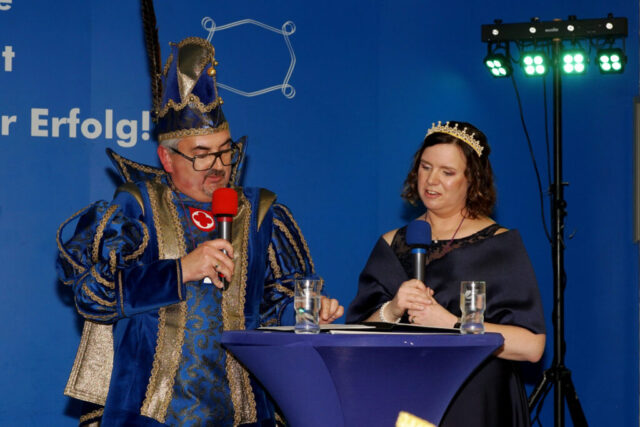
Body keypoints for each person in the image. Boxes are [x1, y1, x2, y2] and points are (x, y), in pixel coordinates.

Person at [56, 31, 343, 426]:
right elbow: (95, 295)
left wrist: (304, 310)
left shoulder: (261, 214)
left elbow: (273, 304)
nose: (218, 166)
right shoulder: (136, 208)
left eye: (225, 151)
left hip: (243, 415)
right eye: (201, 155)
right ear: (166, 158)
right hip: (149, 414)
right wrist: (180, 271)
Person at [346, 121, 545, 427]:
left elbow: (532, 347)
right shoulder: (391, 244)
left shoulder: (498, 245)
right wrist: (393, 308)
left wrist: (452, 324)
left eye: (447, 172)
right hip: (405, 399)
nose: (431, 180)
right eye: (425, 167)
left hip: (476, 402)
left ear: (472, 180)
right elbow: (355, 341)